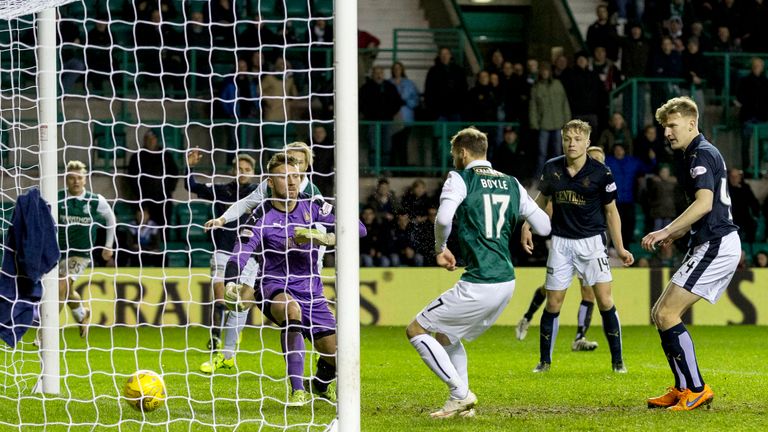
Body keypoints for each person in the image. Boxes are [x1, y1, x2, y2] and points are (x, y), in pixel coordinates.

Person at [405, 127, 551, 418]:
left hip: (481, 281)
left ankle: (460, 394)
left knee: (416, 329)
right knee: (447, 336)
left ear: (462, 153)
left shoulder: (460, 178)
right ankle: (463, 406)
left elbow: (444, 218)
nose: (454, 160)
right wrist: (525, 226)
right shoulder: (511, 182)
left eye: (454, 155)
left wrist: (440, 247)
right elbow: (545, 227)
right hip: (506, 280)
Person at [218, 154, 366, 406]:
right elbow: (239, 253)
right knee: (291, 309)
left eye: (296, 176)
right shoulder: (261, 215)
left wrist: (326, 238)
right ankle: (298, 390)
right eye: (284, 177)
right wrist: (231, 282)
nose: (292, 182)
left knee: (341, 358)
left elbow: (360, 228)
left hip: (312, 292)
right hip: (273, 286)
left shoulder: (314, 206)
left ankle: (319, 383)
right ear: (270, 183)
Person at [641, 96, 740, 411]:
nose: (667, 132)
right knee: (660, 314)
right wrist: (682, 231)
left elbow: (705, 203)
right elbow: (707, 208)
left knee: (667, 314)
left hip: (717, 243)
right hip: (708, 240)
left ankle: (697, 388)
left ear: (691, 122)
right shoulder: (693, 155)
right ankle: (683, 387)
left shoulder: (699, 153)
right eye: (664, 127)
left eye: (672, 125)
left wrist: (666, 230)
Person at [522, 120, 634, 374]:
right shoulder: (552, 168)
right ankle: (544, 362)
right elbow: (540, 200)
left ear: (587, 142)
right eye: (567, 139)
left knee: (605, 301)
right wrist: (527, 225)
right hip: (561, 244)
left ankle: (618, 362)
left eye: (577, 139)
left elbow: (611, 212)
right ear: (562, 140)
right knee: (553, 303)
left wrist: (620, 247)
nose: (572, 143)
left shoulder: (601, 172)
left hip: (592, 244)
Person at [515, 146, 606, 351]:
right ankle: (527, 318)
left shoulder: (601, 185)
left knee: (588, 290)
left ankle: (579, 338)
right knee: (550, 290)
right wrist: (532, 224)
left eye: (601, 160)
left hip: (588, 244)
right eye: (594, 159)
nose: (597, 163)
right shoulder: (566, 182)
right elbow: (546, 207)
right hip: (563, 241)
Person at [185, 151, 257, 350]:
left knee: (242, 299)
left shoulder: (258, 193)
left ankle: (235, 332)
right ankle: (215, 336)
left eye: (247, 169)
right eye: (239, 169)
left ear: (252, 172)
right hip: (223, 250)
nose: (242, 172)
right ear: (232, 171)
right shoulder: (222, 190)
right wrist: (189, 167)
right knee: (220, 294)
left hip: (249, 254)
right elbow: (191, 186)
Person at [204, 142, 322, 231]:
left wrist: (316, 261)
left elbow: (321, 229)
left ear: (306, 166)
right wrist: (221, 219)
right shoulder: (269, 184)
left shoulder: (313, 194)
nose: (293, 166)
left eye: (299, 162)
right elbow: (246, 203)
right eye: (290, 161)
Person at [58, 161, 116, 338]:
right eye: (72, 178)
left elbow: (111, 220)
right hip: (58, 252)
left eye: (79, 178)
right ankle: (82, 314)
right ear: (66, 180)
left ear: (85, 180)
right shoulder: (58, 197)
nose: (76, 181)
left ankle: (45, 332)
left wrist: (108, 246)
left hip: (80, 253)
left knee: (61, 286)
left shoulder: (95, 200)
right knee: (66, 291)